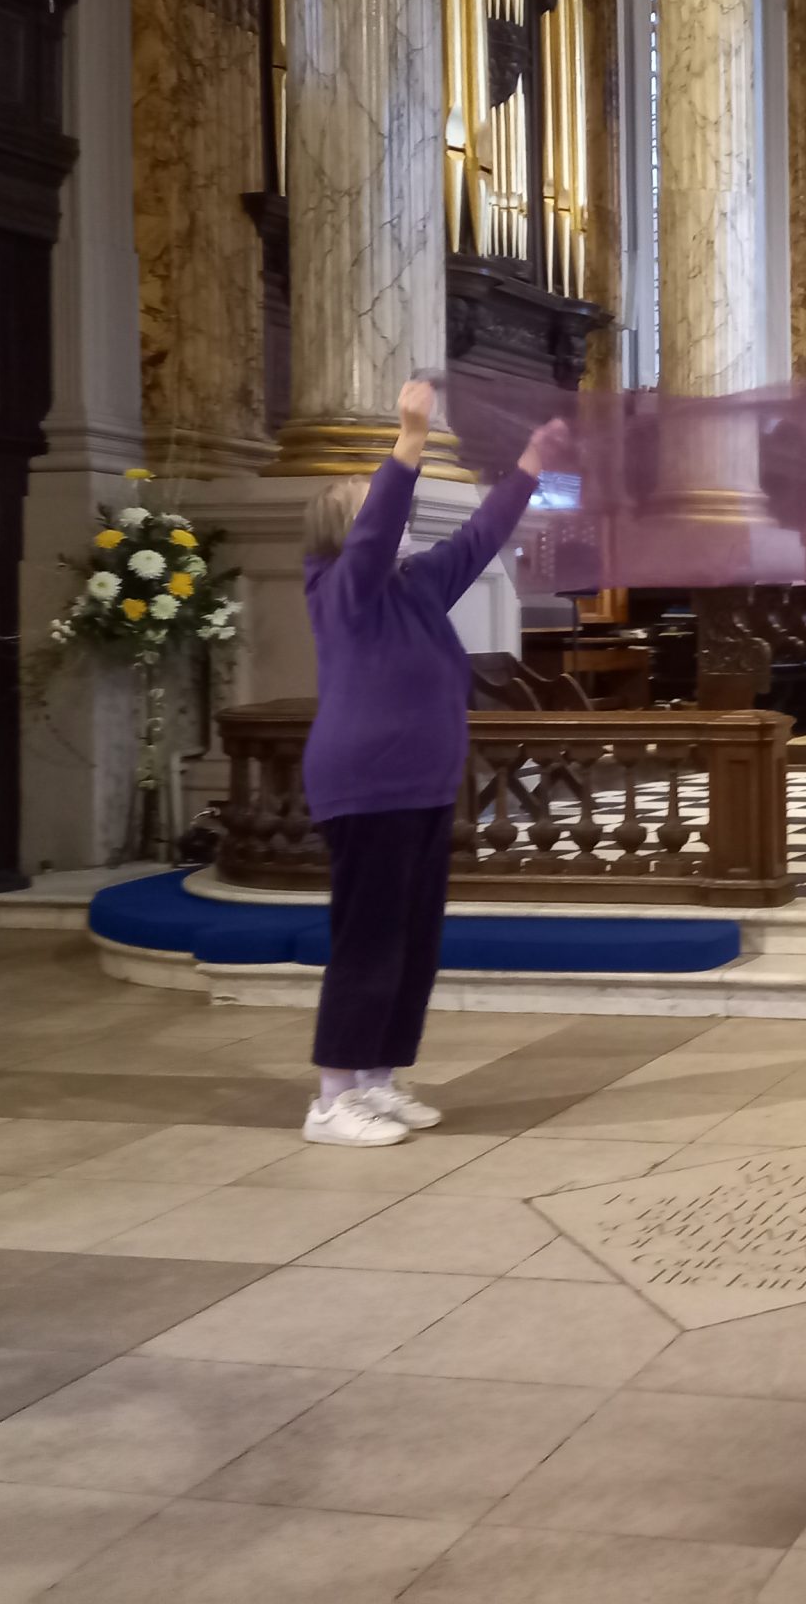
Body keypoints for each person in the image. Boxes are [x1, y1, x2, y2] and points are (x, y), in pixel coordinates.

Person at [299, 379, 568, 1147]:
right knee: (369, 941)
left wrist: (530, 465)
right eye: (375, 513)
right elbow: (376, 533)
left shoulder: (416, 587)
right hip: (366, 788)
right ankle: (331, 1099)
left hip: (421, 787)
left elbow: (480, 537)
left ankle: (377, 1080)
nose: (400, 524)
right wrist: (410, 439)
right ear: (345, 531)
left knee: (414, 943)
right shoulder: (342, 589)